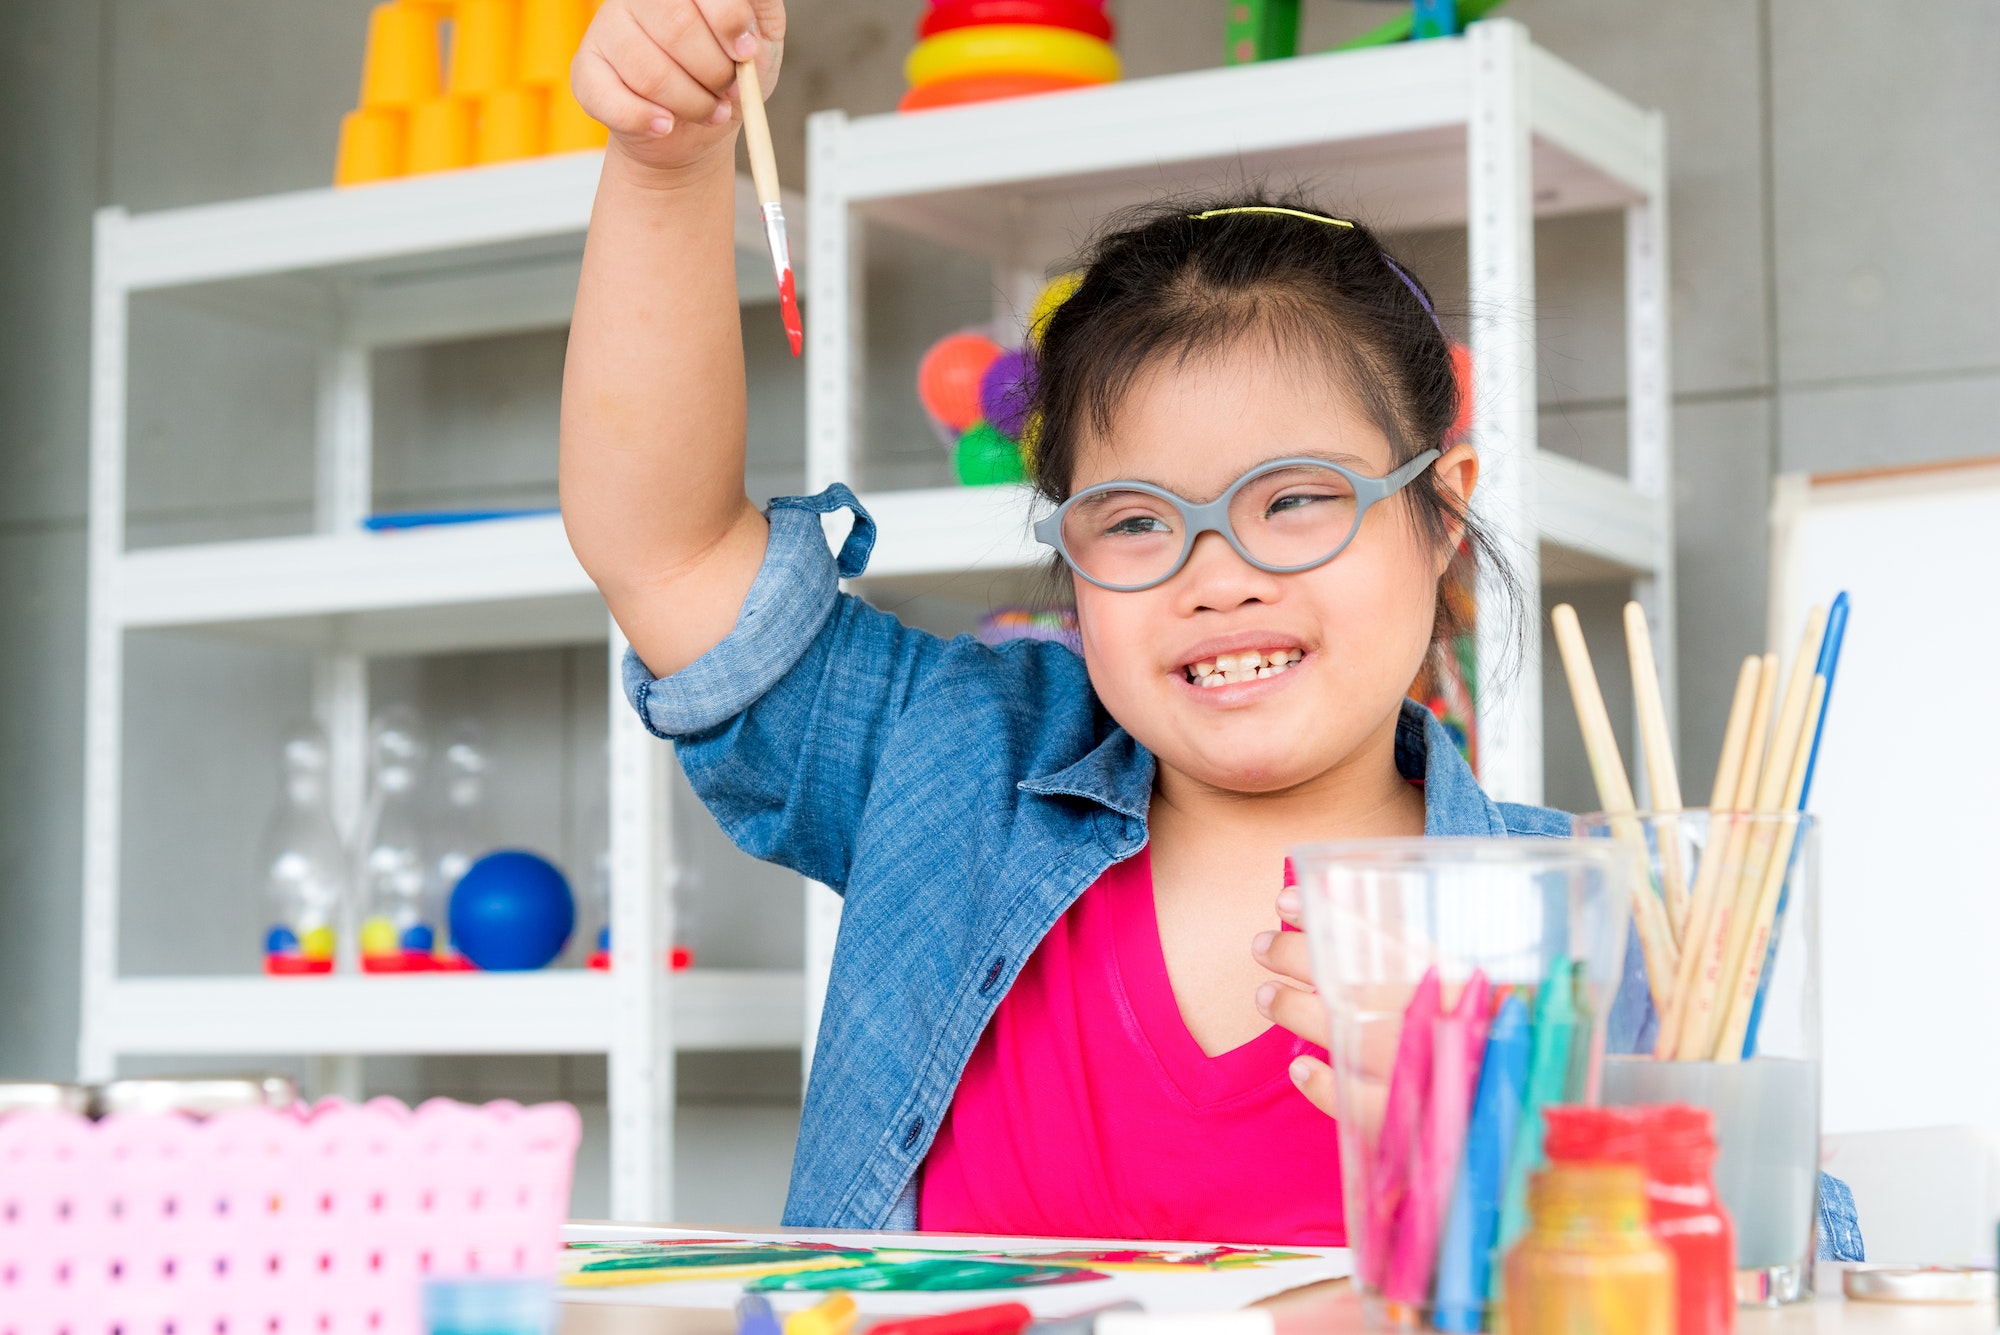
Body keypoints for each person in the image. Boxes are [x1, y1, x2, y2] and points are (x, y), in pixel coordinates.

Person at [560, 0, 1863, 1261]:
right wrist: (668, 165)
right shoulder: (949, 764)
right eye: (1133, 522)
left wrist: (1518, 1146)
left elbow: (1791, 1273)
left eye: (1295, 501)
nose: (1217, 577)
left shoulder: (1584, 926)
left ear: (1442, 515)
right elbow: (665, 551)